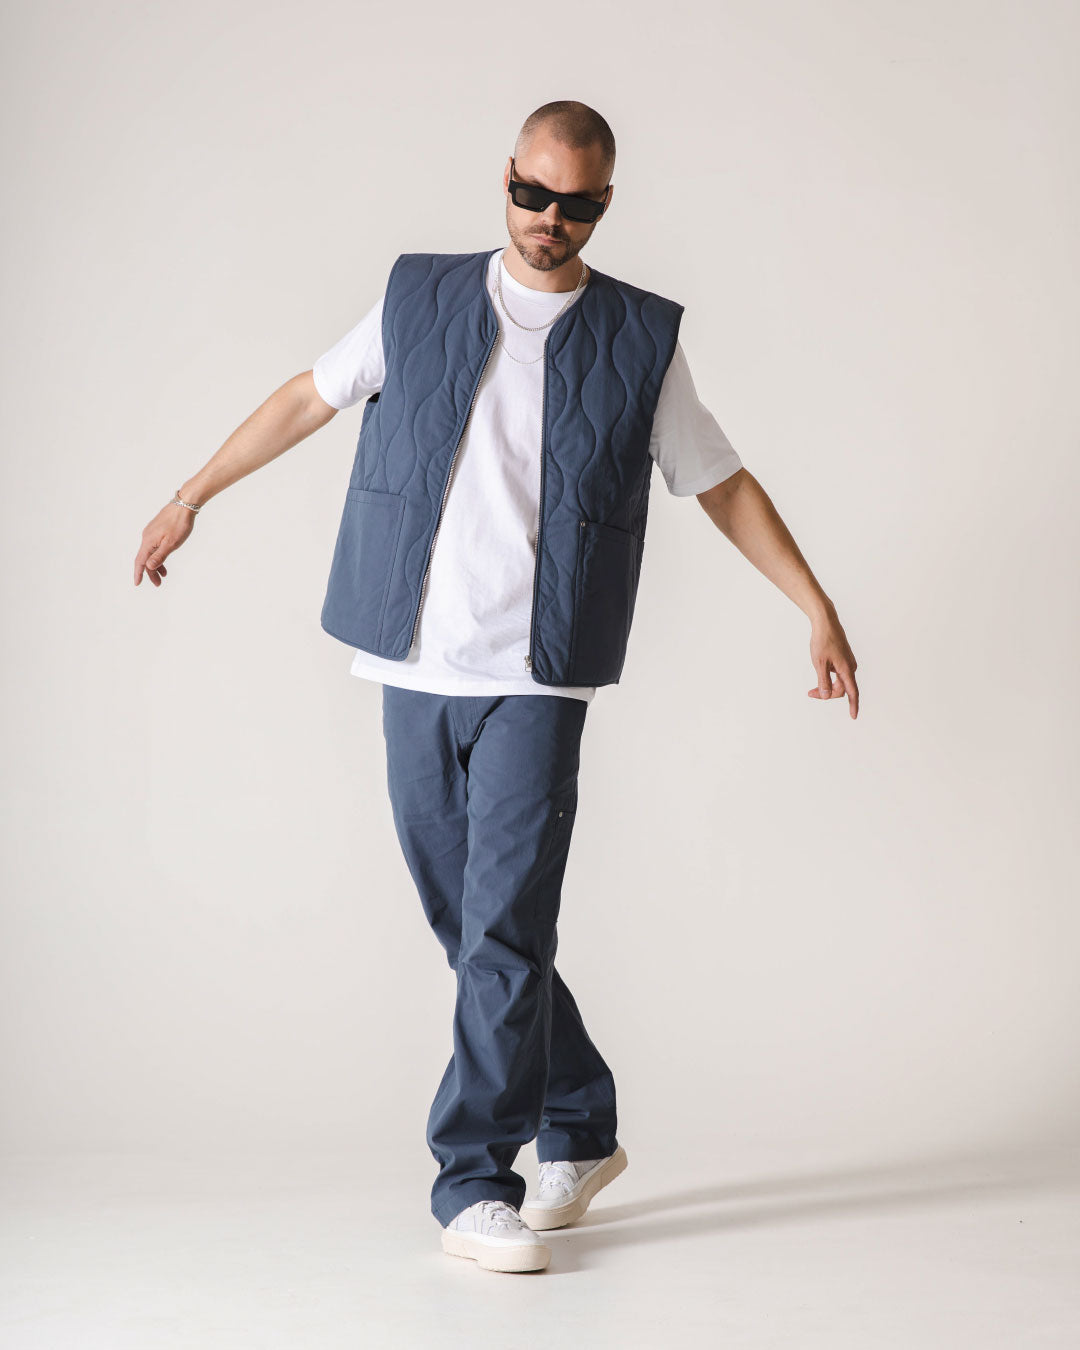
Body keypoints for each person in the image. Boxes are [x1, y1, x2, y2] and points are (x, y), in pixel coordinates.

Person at [134, 99, 859, 1276]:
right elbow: (309, 395)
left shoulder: (639, 339)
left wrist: (814, 606)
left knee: (507, 933)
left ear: (604, 205)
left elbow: (720, 482)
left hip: (538, 675)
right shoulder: (418, 298)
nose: (548, 219)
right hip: (412, 658)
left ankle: (474, 1181)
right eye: (532, 193)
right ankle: (583, 1120)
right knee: (467, 929)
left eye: (575, 204)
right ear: (507, 178)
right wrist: (189, 496)